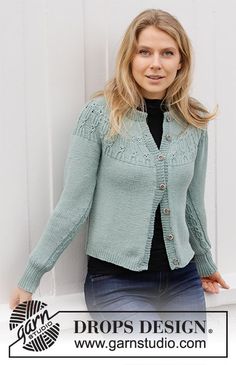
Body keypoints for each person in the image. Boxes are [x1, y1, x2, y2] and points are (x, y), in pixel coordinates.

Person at [10, 9, 229, 329]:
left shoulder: (193, 119)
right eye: (145, 52)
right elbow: (73, 206)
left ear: (181, 61)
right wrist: (32, 276)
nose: (156, 63)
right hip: (115, 283)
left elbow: (193, 205)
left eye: (167, 53)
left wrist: (206, 263)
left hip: (182, 278)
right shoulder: (99, 115)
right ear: (129, 58)